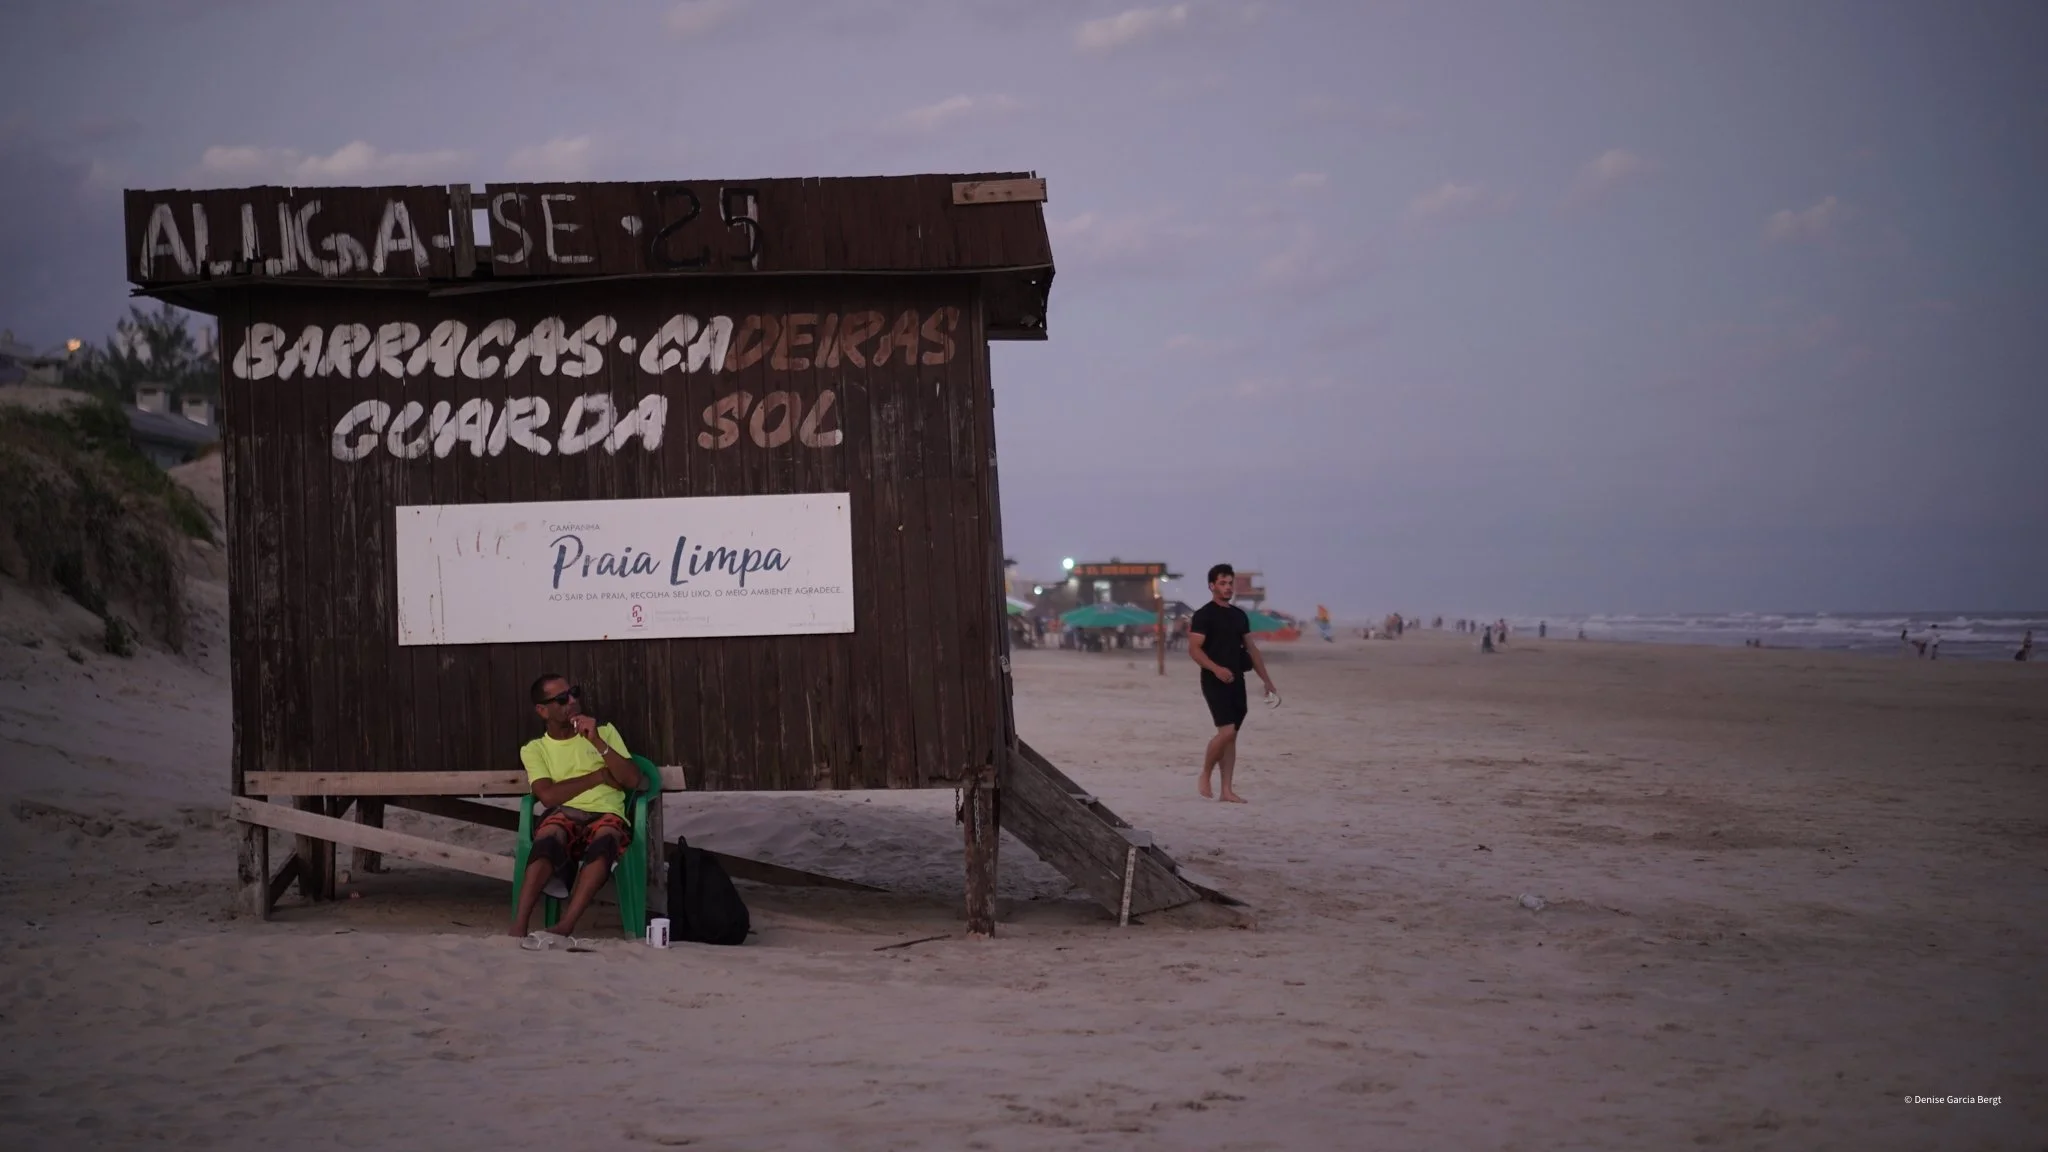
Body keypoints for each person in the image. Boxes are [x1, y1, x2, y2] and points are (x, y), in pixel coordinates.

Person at [508, 674, 644, 941]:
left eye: (574, 693)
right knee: (547, 839)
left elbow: (632, 780)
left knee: (605, 841)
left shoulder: (605, 732)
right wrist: (599, 776)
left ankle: (567, 924)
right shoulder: (536, 749)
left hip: (607, 813)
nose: (572, 701)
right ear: (542, 710)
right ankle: (518, 926)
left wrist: (597, 743)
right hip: (564, 813)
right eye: (561, 699)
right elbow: (548, 795)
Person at [1189, 564, 1275, 804]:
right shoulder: (1204, 615)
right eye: (1222, 583)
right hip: (1214, 680)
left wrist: (1267, 680)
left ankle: (1226, 790)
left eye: (1230, 583)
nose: (1227, 588)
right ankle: (1205, 774)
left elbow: (1251, 649)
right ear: (1212, 586)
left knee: (1231, 736)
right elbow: (1194, 649)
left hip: (1238, 680)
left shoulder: (1239, 615)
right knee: (1226, 731)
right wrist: (1216, 669)